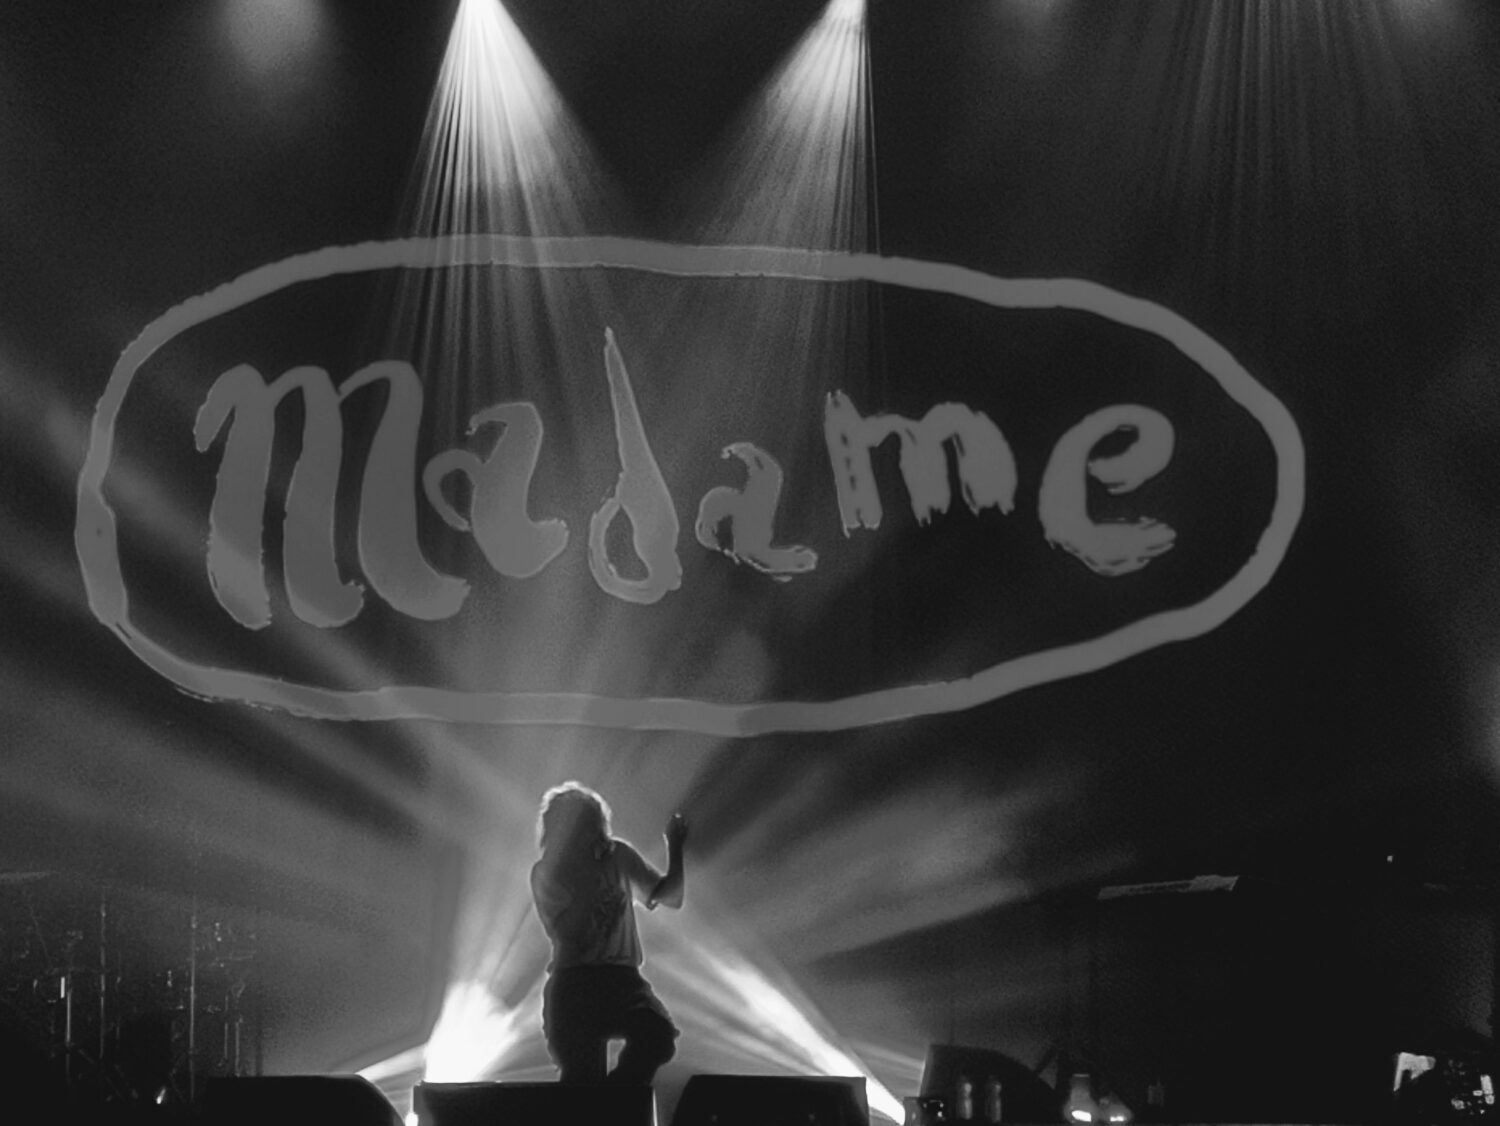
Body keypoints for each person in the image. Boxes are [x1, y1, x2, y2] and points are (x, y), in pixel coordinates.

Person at [529, 781, 687, 1086]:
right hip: (574, 982)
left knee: (657, 1035)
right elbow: (567, 933)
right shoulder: (547, 871)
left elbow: (671, 897)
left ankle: (616, 1100)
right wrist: (588, 882)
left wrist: (676, 848)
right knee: (581, 1078)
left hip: (622, 979)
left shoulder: (619, 856)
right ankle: (601, 1104)